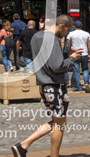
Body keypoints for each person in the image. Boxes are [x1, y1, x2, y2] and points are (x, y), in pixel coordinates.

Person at [10, 15, 83, 157]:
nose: (66, 34)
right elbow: (57, 66)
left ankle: (23, 146)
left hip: (44, 84)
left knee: (57, 121)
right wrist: (72, 58)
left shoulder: (37, 37)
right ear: (62, 26)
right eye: (67, 30)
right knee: (59, 124)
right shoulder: (52, 39)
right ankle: (51, 155)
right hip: (54, 85)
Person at [68, 21, 90, 94]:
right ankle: (87, 82)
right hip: (84, 53)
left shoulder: (71, 34)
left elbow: (68, 44)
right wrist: (89, 54)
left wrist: (68, 52)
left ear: (74, 26)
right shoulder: (87, 34)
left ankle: (78, 87)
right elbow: (89, 45)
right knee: (85, 69)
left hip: (76, 53)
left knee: (76, 71)